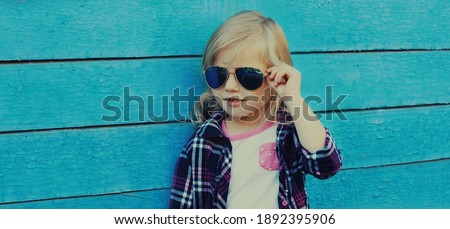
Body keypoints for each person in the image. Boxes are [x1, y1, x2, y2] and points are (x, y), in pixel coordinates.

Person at [169, 10, 342, 209]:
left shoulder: (287, 131)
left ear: (274, 78)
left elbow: (326, 165)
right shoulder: (204, 140)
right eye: (218, 75)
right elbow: (182, 206)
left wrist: (293, 98)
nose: (231, 86)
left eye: (248, 76)